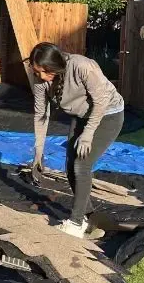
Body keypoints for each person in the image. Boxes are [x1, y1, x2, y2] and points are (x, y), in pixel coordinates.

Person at [29, 42, 125, 238]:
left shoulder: (82, 66)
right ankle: (88, 216)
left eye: (42, 72)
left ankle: (75, 223)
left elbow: (101, 102)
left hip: (108, 114)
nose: (39, 76)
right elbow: (41, 114)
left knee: (81, 164)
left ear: (54, 66)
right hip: (82, 116)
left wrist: (88, 135)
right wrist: (38, 151)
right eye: (36, 71)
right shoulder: (40, 80)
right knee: (70, 165)